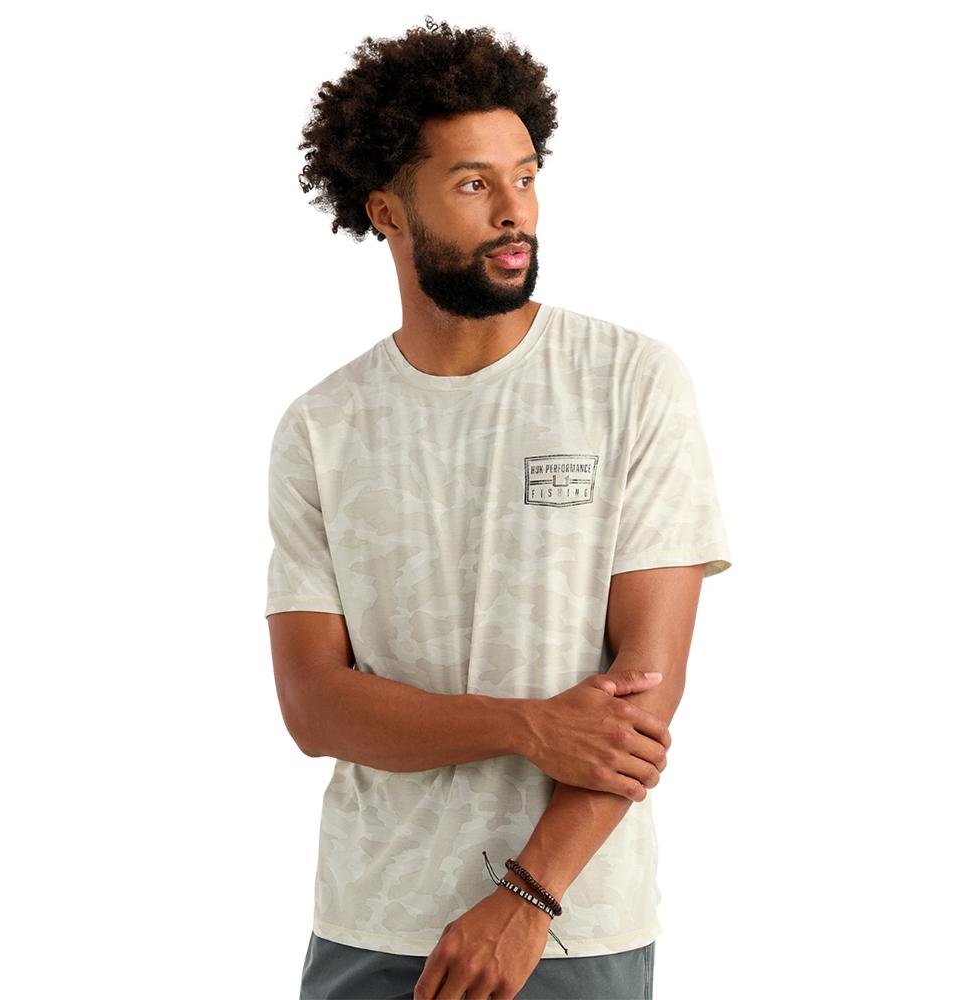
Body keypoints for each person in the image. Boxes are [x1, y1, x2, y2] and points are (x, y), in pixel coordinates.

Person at [264, 15, 732, 1000]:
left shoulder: (629, 382)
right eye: (474, 185)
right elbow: (314, 706)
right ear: (388, 212)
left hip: (572, 928)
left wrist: (527, 897)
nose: (515, 211)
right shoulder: (322, 426)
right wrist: (527, 725)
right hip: (370, 923)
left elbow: (642, 697)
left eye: (524, 175)